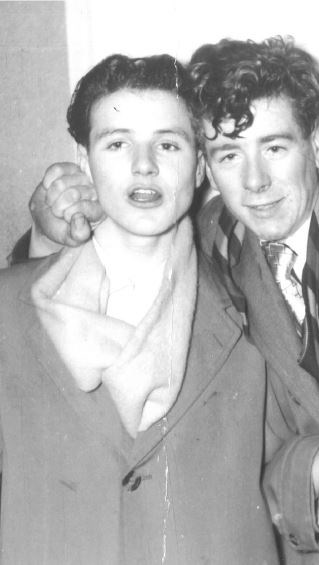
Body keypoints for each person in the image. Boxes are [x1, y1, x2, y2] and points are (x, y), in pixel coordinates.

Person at [13, 39, 319, 565]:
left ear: (315, 143)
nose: (255, 182)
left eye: (274, 148)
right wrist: (47, 235)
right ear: (207, 167)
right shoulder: (217, 240)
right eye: (229, 154)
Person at [0, 53, 282, 564]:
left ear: (200, 165)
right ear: (84, 160)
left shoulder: (250, 316)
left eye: (168, 144)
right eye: (117, 143)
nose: (144, 165)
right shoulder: (8, 308)